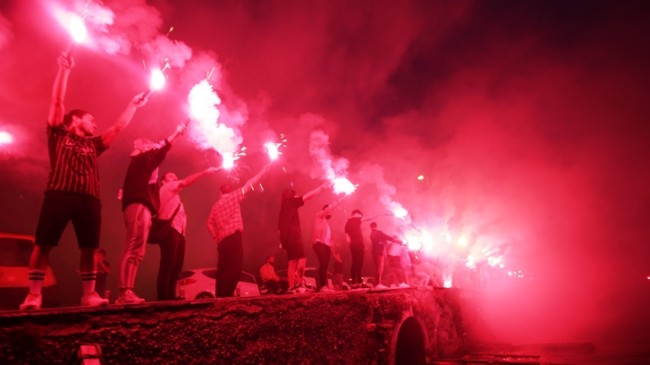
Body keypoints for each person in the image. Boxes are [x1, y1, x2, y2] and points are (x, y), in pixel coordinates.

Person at [20, 52, 147, 310]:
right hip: (59, 194)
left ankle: (88, 294)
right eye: (90, 119)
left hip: (89, 199)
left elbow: (118, 128)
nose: (95, 123)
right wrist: (64, 70)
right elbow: (57, 100)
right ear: (75, 119)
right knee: (43, 245)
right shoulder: (57, 134)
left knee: (89, 248)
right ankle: (34, 295)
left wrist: (132, 106)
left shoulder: (94, 144)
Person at [116, 124, 187, 304]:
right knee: (133, 248)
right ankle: (125, 292)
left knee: (138, 252)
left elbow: (146, 178)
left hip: (143, 207)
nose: (153, 149)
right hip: (139, 207)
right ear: (142, 149)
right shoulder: (142, 159)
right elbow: (161, 150)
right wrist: (176, 133)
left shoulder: (145, 169)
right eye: (149, 147)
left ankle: (128, 292)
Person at [156, 167, 221, 301]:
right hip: (171, 231)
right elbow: (186, 181)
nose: (174, 178)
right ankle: (163, 297)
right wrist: (204, 172)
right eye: (171, 176)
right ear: (163, 182)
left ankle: (170, 295)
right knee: (168, 264)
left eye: (175, 176)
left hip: (179, 234)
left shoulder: (176, 198)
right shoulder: (167, 187)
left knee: (176, 266)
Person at [206, 164, 270, 298]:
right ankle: (228, 295)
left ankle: (221, 296)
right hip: (233, 238)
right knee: (235, 267)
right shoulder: (232, 197)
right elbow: (249, 184)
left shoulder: (216, 205)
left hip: (222, 241)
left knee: (223, 269)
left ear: (220, 193)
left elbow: (209, 223)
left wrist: (215, 237)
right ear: (228, 192)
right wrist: (263, 170)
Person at [277, 182, 327, 293]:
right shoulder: (291, 202)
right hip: (294, 236)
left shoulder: (283, 207)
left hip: (286, 239)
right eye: (294, 194)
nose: (297, 196)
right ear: (290, 195)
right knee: (302, 258)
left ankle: (291, 287)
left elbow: (279, 227)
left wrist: (281, 241)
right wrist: (320, 188)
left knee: (292, 261)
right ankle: (299, 283)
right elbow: (308, 196)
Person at [312, 196, 346, 292]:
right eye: (329, 211)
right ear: (325, 210)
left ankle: (322, 286)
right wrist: (341, 198)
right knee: (323, 263)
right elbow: (329, 208)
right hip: (319, 243)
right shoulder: (319, 216)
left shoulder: (327, 224)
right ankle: (323, 286)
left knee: (325, 266)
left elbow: (330, 240)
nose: (331, 213)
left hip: (326, 246)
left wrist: (334, 252)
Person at [344, 209, 383, 288]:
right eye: (360, 215)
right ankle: (358, 282)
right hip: (359, 244)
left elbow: (347, 237)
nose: (361, 217)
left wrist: (351, 244)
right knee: (359, 263)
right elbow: (369, 218)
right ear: (357, 214)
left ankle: (355, 282)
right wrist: (379, 213)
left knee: (355, 262)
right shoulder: (356, 219)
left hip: (353, 245)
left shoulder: (347, 223)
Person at [369, 222, 401, 289]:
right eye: (372, 227)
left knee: (378, 268)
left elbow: (384, 239)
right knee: (380, 268)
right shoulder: (378, 233)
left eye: (373, 227)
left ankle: (377, 283)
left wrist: (387, 241)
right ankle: (378, 283)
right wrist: (395, 240)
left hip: (376, 253)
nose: (373, 228)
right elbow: (386, 237)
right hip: (379, 253)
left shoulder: (372, 234)